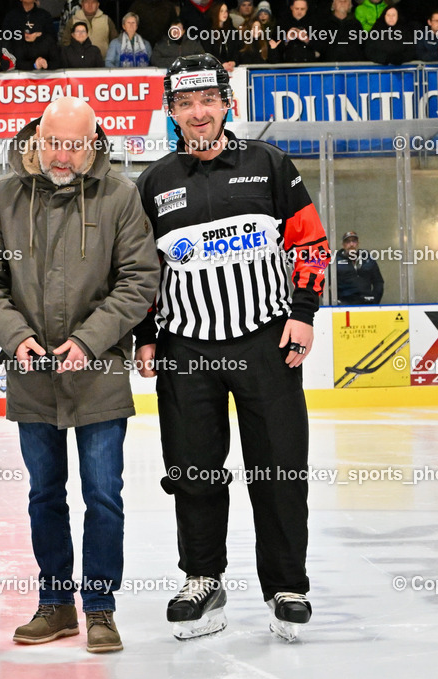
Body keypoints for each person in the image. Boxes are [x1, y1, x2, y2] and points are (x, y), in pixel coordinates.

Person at [133, 54, 329, 644]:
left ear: (227, 105)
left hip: (266, 344)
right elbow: (140, 272)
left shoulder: (269, 163)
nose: (198, 113)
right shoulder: (153, 182)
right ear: (171, 111)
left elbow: (311, 242)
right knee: (193, 472)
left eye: (208, 101)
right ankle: (202, 579)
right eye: (185, 103)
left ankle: (286, 586)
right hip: (185, 350)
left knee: (277, 468)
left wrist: (303, 313)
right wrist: (145, 337)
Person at [0, 97, 159, 654]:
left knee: (103, 495)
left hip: (99, 372)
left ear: (93, 142)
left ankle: (99, 607)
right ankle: (55, 605)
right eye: (55, 142)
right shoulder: (3, 198)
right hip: (31, 374)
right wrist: (14, 336)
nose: (64, 155)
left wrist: (88, 341)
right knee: (44, 494)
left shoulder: (120, 195)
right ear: (37, 137)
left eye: (76, 144)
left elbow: (138, 280)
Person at [334, 231, 384, 304]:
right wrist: (335, 302)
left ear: (358, 243)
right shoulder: (335, 261)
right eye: (348, 242)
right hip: (344, 305)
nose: (351, 244)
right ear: (343, 245)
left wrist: (375, 300)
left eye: (354, 241)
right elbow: (324, 284)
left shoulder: (367, 258)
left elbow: (378, 282)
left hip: (367, 303)